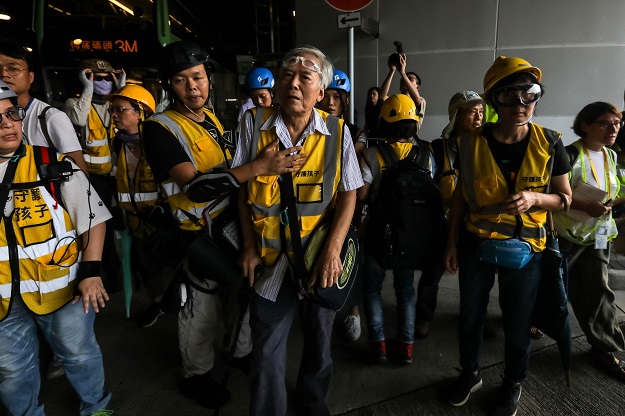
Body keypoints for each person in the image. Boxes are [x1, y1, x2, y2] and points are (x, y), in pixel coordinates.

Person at [142, 40, 304, 410]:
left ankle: (241, 353)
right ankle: (196, 375)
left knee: (240, 298)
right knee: (201, 307)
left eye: (197, 77)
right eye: (181, 80)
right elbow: (196, 187)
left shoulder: (211, 118)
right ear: (170, 84)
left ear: (209, 79)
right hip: (198, 235)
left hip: (232, 225)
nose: (192, 86)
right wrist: (259, 168)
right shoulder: (160, 128)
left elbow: (229, 168)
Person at [234, 46, 363, 416]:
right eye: (287, 75)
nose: (294, 83)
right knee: (266, 349)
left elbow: (349, 194)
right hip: (271, 261)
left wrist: (334, 250)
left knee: (320, 344)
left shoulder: (338, 132)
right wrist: (248, 246)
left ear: (320, 93)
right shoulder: (251, 124)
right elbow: (243, 193)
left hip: (318, 258)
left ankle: (312, 404)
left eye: (305, 77)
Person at [443, 56, 572, 416]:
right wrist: (451, 243)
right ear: (492, 100)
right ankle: (470, 373)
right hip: (475, 246)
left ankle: (513, 383)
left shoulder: (550, 143)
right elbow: (459, 197)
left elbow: (564, 199)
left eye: (529, 94)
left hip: (527, 250)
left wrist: (535, 198)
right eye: (509, 95)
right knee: (470, 317)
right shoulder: (469, 143)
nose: (521, 105)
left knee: (517, 322)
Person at [0, 80, 113, 415]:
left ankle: (97, 407)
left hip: (63, 290)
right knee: (11, 371)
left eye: (12, 114)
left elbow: (93, 218)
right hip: (4, 300)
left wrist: (91, 272)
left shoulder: (53, 164)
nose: (7, 123)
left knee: (79, 355)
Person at [359, 94, 437, 364]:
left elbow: (361, 196)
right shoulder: (427, 154)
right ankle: (406, 346)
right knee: (405, 290)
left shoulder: (372, 154)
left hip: (378, 234)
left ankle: (378, 345)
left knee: (371, 289)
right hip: (410, 235)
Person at [553, 101, 625, 381]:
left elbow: (613, 188)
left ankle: (604, 347)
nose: (613, 129)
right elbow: (551, 197)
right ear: (585, 125)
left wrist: (614, 204)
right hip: (566, 236)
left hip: (598, 235)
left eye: (617, 123)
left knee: (599, 291)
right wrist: (585, 207)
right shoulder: (568, 155)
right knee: (553, 288)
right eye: (605, 123)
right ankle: (535, 322)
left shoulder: (611, 155)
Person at [104, 84, 172, 328]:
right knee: (146, 265)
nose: (113, 114)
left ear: (140, 112)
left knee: (172, 264)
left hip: (163, 223)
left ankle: (179, 303)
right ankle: (160, 303)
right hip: (134, 222)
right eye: (112, 109)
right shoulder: (119, 144)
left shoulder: (160, 144)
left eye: (120, 109)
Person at [64, 58, 126, 293]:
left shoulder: (114, 103)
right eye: (95, 78)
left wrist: (120, 91)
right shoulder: (75, 103)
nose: (102, 83)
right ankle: (109, 275)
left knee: (124, 224)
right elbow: (78, 119)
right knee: (104, 228)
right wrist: (87, 89)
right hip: (92, 178)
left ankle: (129, 273)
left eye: (106, 79)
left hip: (118, 175)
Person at [317, 68, 363, 342]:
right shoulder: (311, 130)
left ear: (345, 101)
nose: (331, 102)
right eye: (328, 95)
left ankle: (354, 312)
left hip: (348, 206)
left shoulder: (355, 132)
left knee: (349, 259)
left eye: (338, 96)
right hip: (319, 209)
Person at [0, 41, 88, 173]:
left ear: (31, 77)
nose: (4, 74)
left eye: (13, 69)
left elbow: (79, 174)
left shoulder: (51, 117)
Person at [379, 53, 426, 134]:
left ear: (417, 87)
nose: (405, 81)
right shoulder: (396, 100)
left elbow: (417, 100)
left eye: (410, 79)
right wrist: (392, 70)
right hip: (392, 141)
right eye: (403, 80)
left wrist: (403, 73)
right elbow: (382, 97)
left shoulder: (421, 100)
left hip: (411, 144)